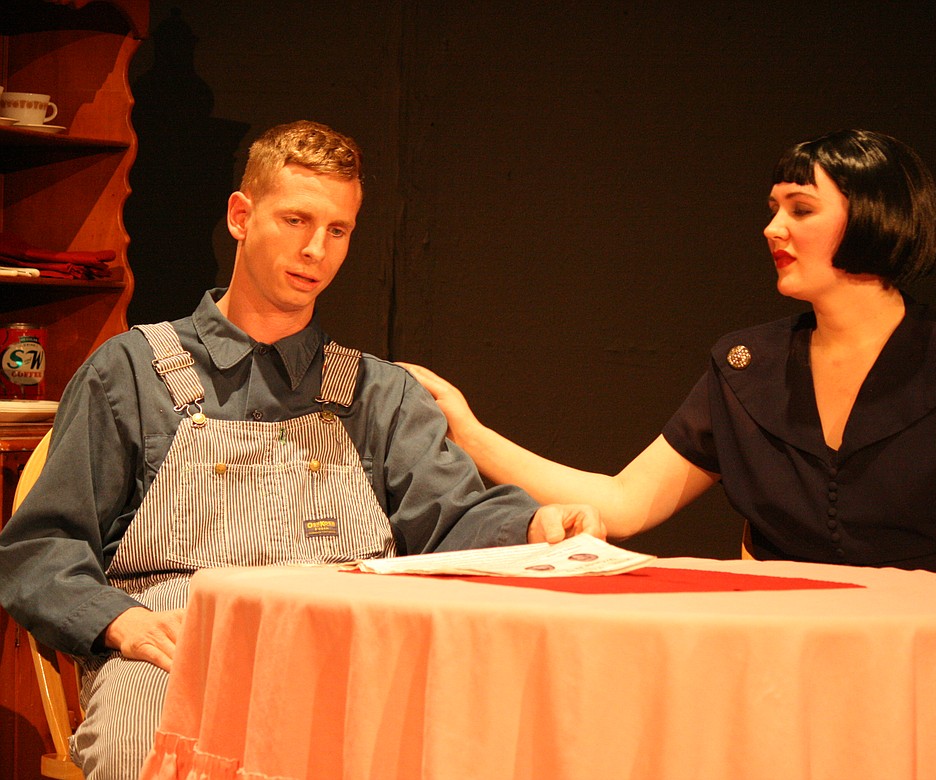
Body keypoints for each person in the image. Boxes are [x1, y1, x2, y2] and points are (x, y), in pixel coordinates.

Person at [0, 120, 601, 780]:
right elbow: (43, 547)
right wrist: (117, 623)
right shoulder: (133, 372)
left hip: (344, 645)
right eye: (295, 220)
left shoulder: (377, 393)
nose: (315, 249)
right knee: (134, 757)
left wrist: (532, 525)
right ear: (240, 215)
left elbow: (452, 521)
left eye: (337, 230)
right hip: (179, 642)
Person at [400, 128, 936, 587]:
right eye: (773, 209)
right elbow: (625, 503)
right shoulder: (749, 366)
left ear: (875, 216)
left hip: (933, 656)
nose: (773, 229)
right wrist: (470, 434)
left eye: (800, 209)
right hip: (786, 663)